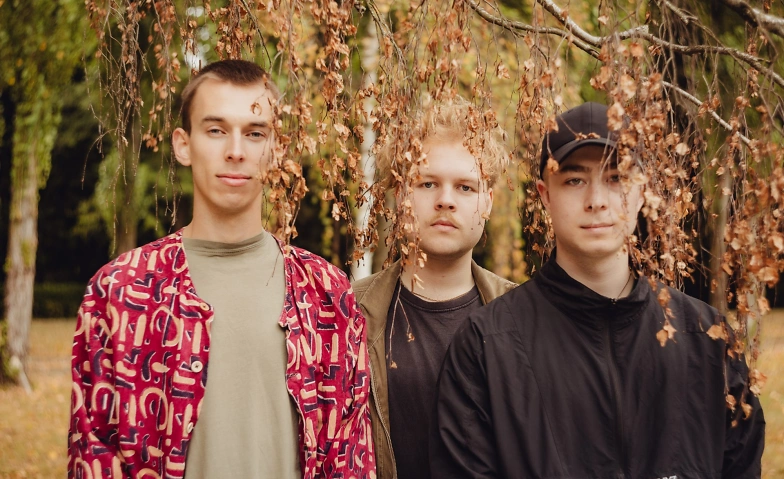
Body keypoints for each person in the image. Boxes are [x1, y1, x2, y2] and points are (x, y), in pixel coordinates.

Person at [67, 59, 375, 479]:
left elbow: (350, 461)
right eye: (216, 130)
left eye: (255, 133)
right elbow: (93, 458)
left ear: (276, 150)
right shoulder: (119, 292)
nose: (236, 150)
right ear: (183, 145)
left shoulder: (325, 294)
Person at [430, 102, 765, 478]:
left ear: (642, 192)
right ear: (545, 194)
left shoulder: (705, 338)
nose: (597, 201)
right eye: (575, 180)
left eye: (616, 178)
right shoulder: (488, 345)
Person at [352, 96, 516, 479]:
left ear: (488, 202)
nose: (445, 201)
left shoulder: (527, 316)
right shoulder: (348, 313)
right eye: (427, 183)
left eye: (465, 188)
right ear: (400, 195)